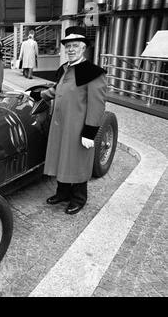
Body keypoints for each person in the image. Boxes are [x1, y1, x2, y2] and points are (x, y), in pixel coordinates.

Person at [40, 26, 106, 215]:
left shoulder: (93, 72)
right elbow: (57, 90)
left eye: (75, 45)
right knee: (62, 158)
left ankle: (78, 198)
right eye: (68, 46)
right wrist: (39, 94)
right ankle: (63, 193)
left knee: (76, 161)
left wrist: (90, 131)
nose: (70, 49)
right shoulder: (64, 68)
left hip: (77, 127)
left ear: (84, 48)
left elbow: (98, 105)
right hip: (60, 124)